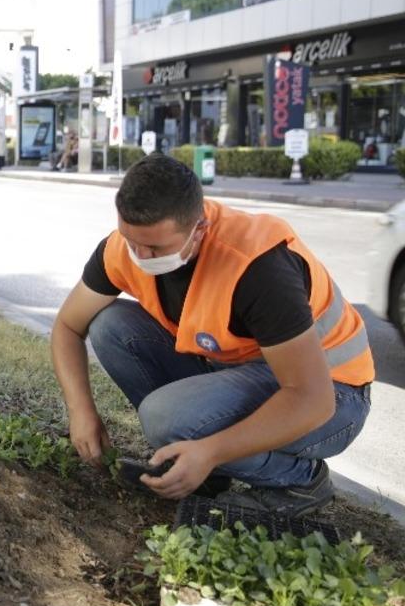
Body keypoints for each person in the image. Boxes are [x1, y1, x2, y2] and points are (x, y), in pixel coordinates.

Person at [50, 154, 373, 517]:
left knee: (165, 418)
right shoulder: (123, 248)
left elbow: (312, 400)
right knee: (110, 325)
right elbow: (68, 326)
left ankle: (300, 481)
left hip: (334, 396)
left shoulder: (258, 267)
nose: (140, 256)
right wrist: (81, 410)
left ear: (199, 228)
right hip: (242, 372)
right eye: (130, 239)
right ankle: (201, 471)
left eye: (155, 248)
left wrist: (211, 451)